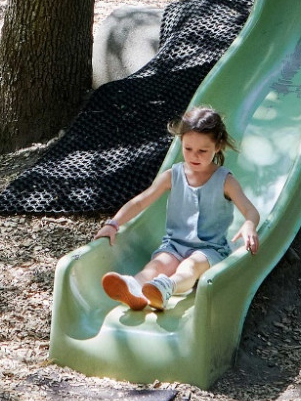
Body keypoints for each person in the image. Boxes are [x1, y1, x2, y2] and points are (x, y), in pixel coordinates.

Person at [94, 107, 261, 313]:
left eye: (202, 151)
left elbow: (250, 211)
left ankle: (166, 287)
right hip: (174, 245)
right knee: (157, 265)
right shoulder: (173, 175)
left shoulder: (225, 180)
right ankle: (134, 288)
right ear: (181, 142)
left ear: (217, 146)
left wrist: (249, 225)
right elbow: (140, 202)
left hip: (209, 249)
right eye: (188, 148)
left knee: (189, 267)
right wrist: (113, 224)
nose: (194, 156)